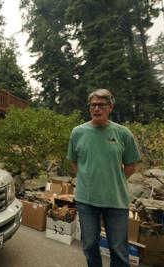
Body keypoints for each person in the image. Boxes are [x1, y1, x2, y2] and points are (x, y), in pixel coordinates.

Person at [67, 89, 141, 267]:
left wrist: (113, 180)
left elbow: (131, 165)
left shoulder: (123, 133)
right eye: (93, 105)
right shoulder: (78, 132)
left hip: (115, 200)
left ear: (110, 107)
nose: (97, 109)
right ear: (89, 108)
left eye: (101, 105)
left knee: (118, 248)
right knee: (90, 244)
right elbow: (74, 162)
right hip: (87, 200)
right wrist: (87, 180)